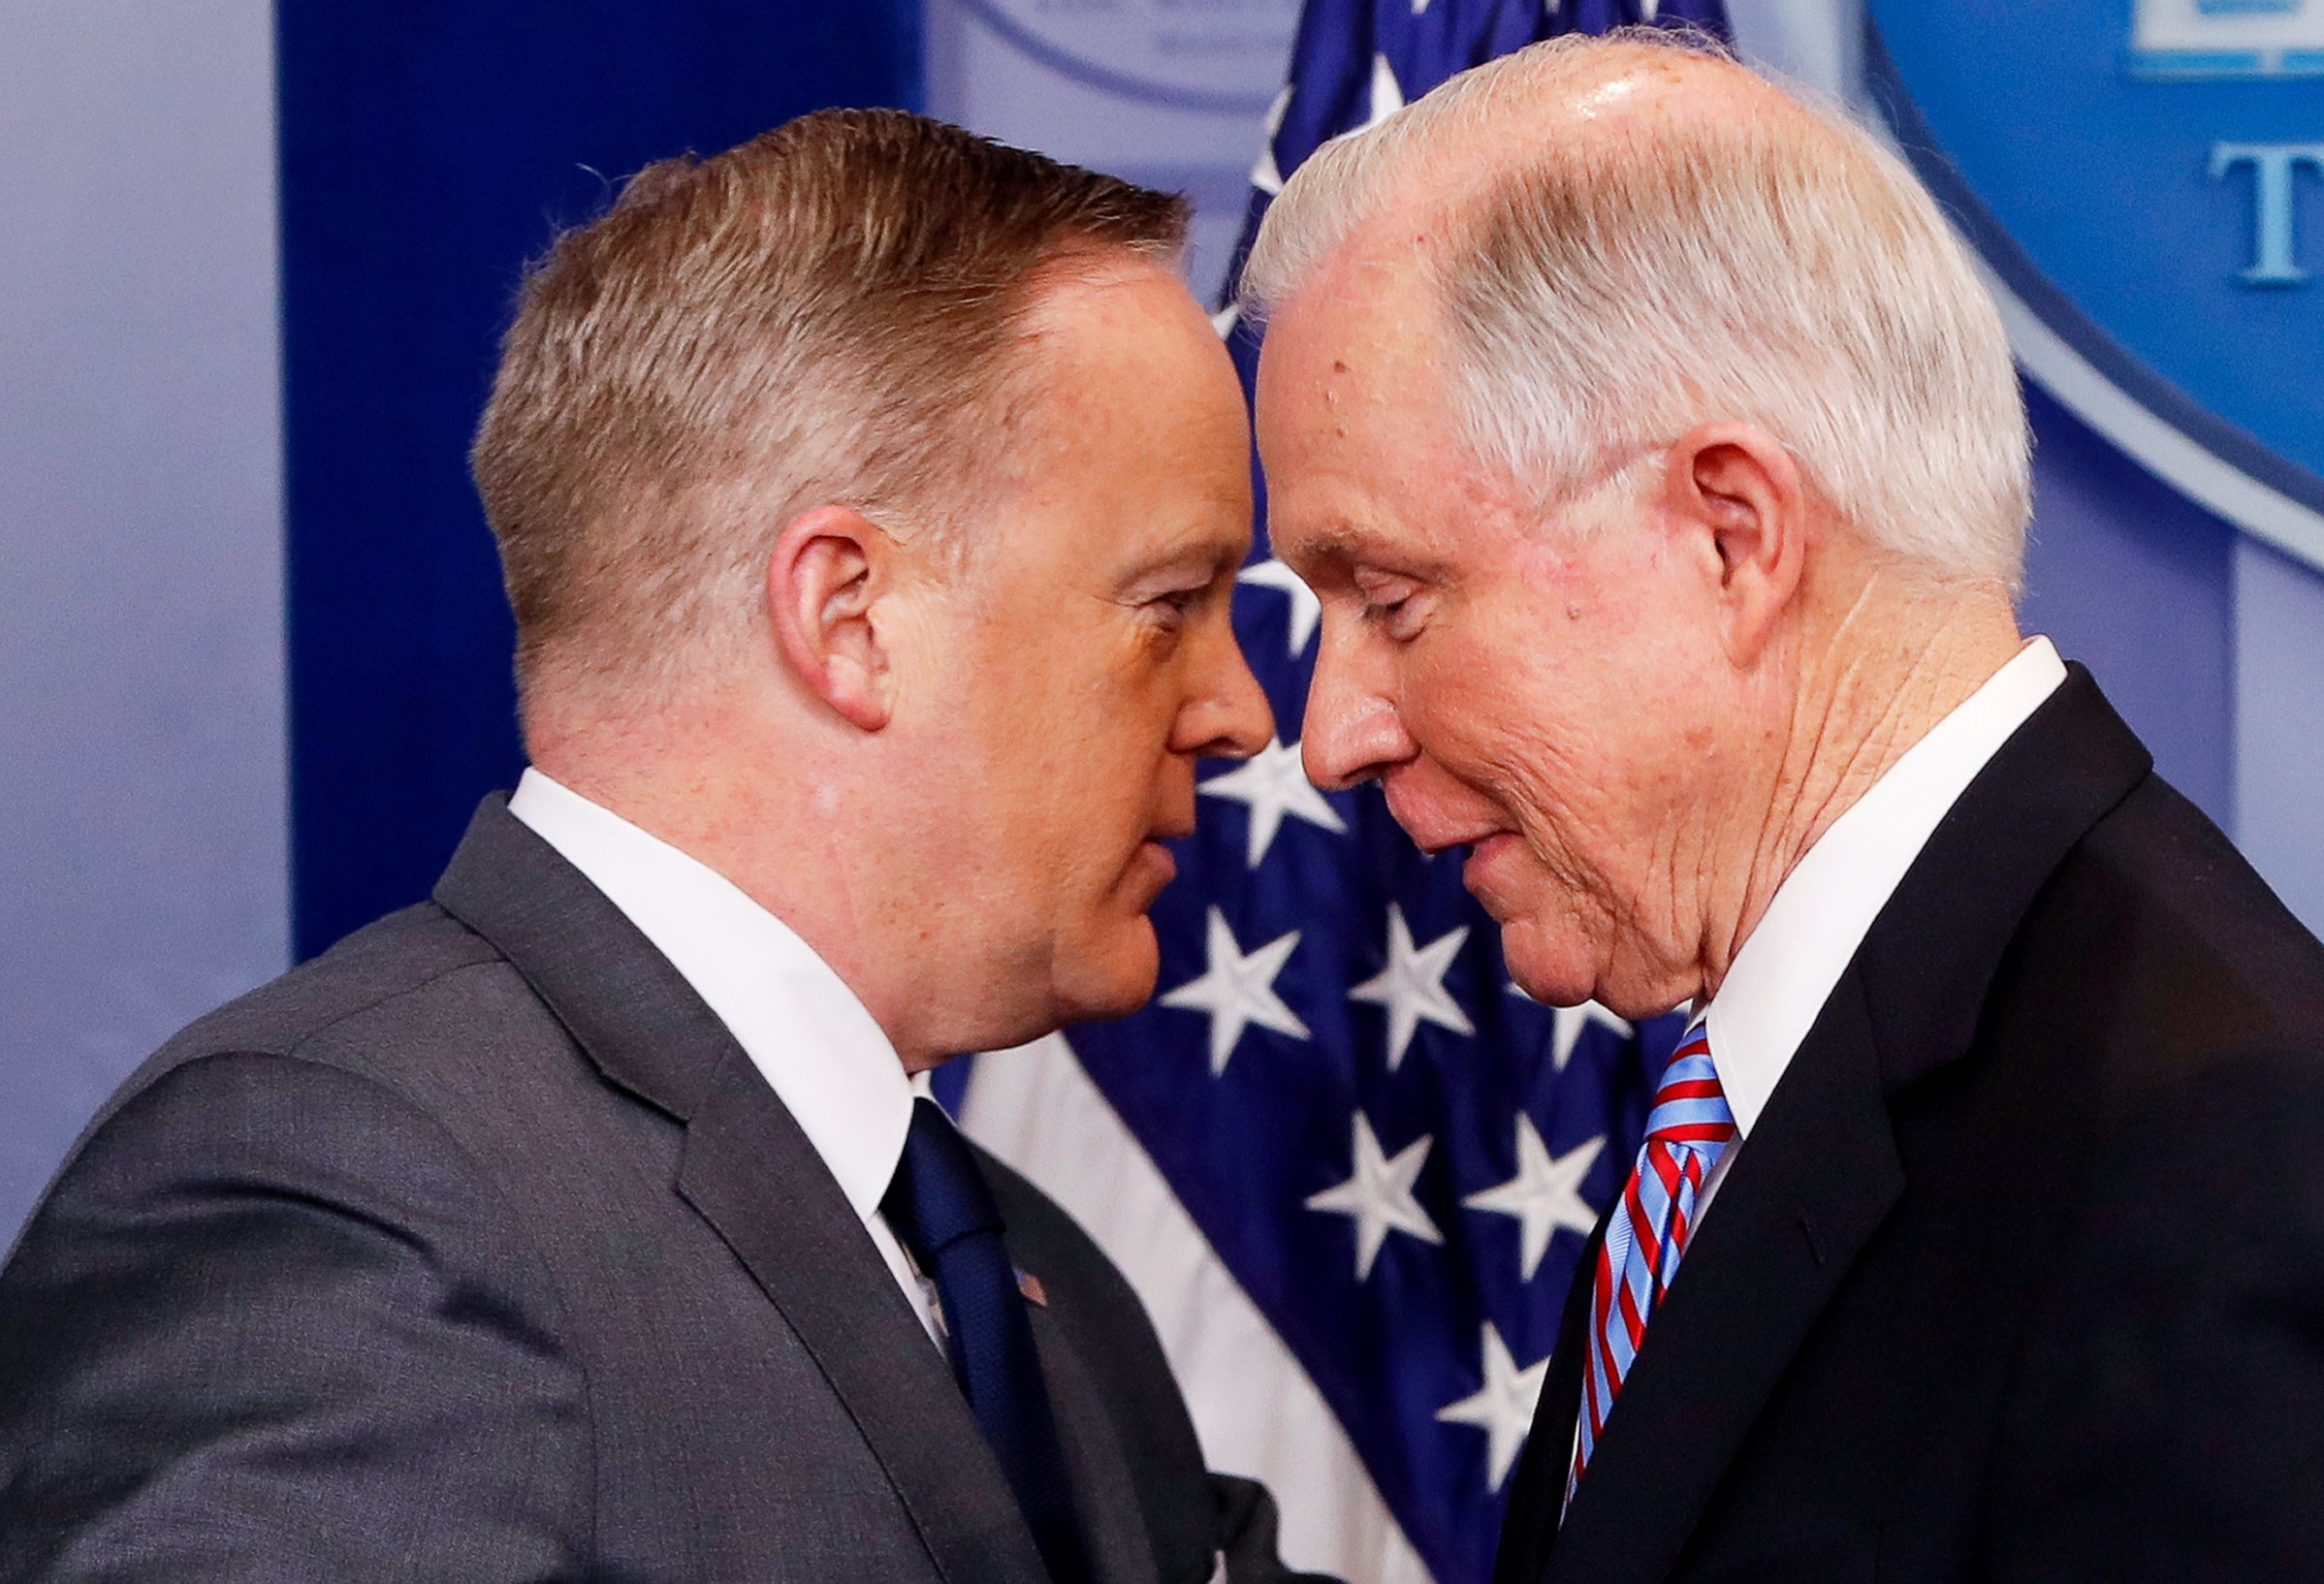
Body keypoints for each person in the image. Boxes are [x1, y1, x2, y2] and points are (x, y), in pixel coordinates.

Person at [1241, 30, 2324, 1584]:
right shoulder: (1777, 1090)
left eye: (1390, 595)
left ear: (1730, 533)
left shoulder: (2234, 1174)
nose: (1329, 735)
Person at [0, 109, 1328, 1584]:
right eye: (1168, 605)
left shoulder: (1034, 1282)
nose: (1243, 711)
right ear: (851, 620)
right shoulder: (347, 1196)